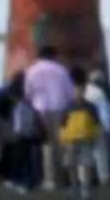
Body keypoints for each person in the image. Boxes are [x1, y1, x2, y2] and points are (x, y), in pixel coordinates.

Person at [21, 46, 76, 189]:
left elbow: (27, 93)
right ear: (54, 56)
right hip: (60, 108)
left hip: (40, 110)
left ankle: (49, 180)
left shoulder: (31, 70)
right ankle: (63, 178)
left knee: (46, 146)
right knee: (61, 144)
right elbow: (70, 93)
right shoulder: (61, 70)